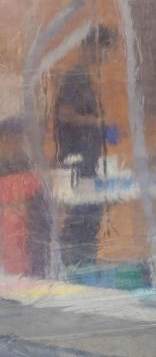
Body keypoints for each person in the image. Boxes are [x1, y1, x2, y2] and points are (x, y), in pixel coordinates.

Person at [54, 25, 117, 269]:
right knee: (83, 214)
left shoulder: (85, 77)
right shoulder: (75, 76)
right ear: (90, 46)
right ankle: (74, 264)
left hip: (86, 157)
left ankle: (81, 263)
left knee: (90, 211)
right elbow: (64, 114)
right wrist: (98, 123)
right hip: (76, 158)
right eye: (103, 50)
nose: (105, 56)